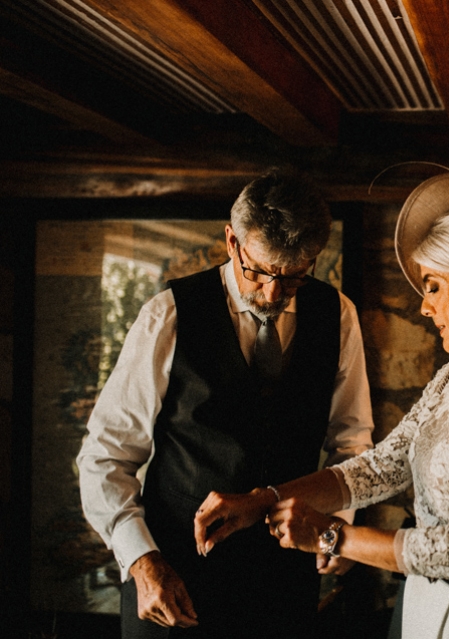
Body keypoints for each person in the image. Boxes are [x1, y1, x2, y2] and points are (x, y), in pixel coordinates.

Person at [193, 172, 449, 639]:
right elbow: (384, 466)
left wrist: (331, 537)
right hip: (425, 602)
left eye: (433, 286)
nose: (424, 307)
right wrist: (263, 500)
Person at [77, 169, 375, 638]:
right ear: (231, 241)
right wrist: (140, 559)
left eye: (295, 276)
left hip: (285, 586)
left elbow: (352, 441)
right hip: (174, 580)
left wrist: (338, 523)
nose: (273, 293)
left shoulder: (339, 316)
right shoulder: (169, 314)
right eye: (259, 271)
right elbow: (105, 456)